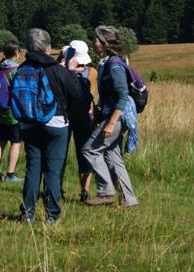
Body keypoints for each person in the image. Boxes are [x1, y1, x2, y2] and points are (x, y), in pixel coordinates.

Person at [16, 28, 82, 224]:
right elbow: (76, 95)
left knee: (33, 168)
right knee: (53, 170)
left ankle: (27, 214)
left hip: (28, 123)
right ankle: (52, 215)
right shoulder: (58, 70)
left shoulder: (22, 69)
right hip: (56, 122)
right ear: (48, 47)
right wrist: (71, 72)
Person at [82, 26, 139, 207]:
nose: (94, 43)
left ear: (105, 43)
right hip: (110, 117)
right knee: (113, 158)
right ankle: (128, 200)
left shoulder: (114, 66)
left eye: (96, 40)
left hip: (115, 118)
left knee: (89, 150)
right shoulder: (108, 63)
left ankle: (106, 192)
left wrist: (110, 123)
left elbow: (122, 96)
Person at [60, 40, 98, 202]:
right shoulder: (92, 72)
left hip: (64, 117)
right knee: (84, 155)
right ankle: (85, 191)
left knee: (59, 154)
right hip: (84, 118)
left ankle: (56, 188)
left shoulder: (62, 71)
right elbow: (92, 97)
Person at [0, 40, 23, 182]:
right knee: (15, 142)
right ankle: (10, 174)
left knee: (1, 141)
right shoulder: (16, 70)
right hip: (13, 113)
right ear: (17, 53)